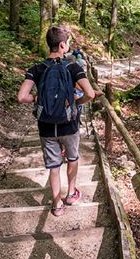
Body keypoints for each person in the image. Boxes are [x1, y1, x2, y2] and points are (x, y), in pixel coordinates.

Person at [17, 26, 102, 216]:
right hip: (69, 125)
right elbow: (89, 93)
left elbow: (22, 97)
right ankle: (71, 193)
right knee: (72, 159)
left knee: (54, 167)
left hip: (46, 126)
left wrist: (37, 99)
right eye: (68, 44)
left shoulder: (36, 69)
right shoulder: (73, 67)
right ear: (63, 45)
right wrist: (76, 103)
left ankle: (56, 205)